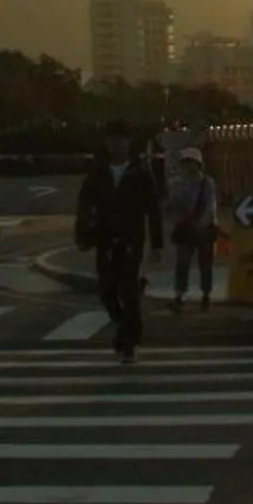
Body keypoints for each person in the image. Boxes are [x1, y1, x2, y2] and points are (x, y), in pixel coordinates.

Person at [75, 120, 163, 363]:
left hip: (131, 238)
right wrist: (82, 236)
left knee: (127, 290)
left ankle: (128, 343)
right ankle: (125, 327)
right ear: (106, 143)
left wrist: (157, 244)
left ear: (128, 142)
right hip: (104, 238)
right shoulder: (97, 173)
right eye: (111, 139)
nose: (116, 144)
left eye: (120, 139)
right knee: (107, 291)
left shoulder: (141, 172)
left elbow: (153, 209)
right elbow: (84, 207)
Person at [163, 147, 220, 313]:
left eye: (190, 162)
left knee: (205, 264)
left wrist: (202, 223)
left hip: (203, 229)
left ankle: (205, 294)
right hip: (188, 228)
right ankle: (179, 295)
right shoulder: (179, 183)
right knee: (182, 263)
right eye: (184, 162)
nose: (187, 166)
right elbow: (171, 205)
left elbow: (210, 206)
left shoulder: (207, 182)